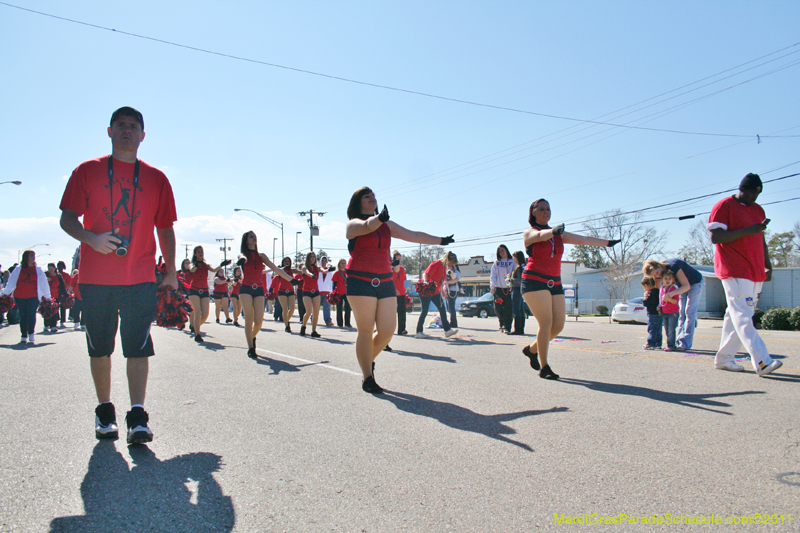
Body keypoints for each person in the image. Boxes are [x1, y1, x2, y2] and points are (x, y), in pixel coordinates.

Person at [59, 106, 178, 444]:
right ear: (109, 132)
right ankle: (104, 410)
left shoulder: (156, 178)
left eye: (133, 126)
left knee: (138, 347)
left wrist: (170, 271)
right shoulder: (87, 171)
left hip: (139, 277)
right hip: (95, 278)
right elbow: (67, 218)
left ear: (142, 135)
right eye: (120, 125)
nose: (127, 130)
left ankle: (137, 416)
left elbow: (165, 228)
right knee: (100, 348)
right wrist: (91, 239)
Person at [346, 187, 454, 393]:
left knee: (387, 331)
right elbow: (367, 225)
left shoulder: (386, 224)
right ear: (358, 202)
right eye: (367, 197)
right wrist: (379, 218)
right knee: (366, 330)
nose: (372, 199)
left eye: (373, 197)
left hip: (385, 279)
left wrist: (440, 240)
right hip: (360, 279)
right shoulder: (353, 224)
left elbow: (412, 235)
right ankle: (368, 377)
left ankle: (367, 361)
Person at [521, 198, 619, 380]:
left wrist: (607, 243)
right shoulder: (530, 233)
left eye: (548, 209)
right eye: (541, 209)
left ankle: (531, 350)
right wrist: (552, 231)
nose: (546, 212)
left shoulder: (559, 235)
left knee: (558, 326)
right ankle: (545, 367)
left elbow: (584, 239)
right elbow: (540, 237)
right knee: (546, 323)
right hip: (534, 281)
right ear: (533, 212)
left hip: (554, 282)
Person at [708, 173, 782, 376]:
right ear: (742, 189)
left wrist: (767, 265)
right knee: (743, 315)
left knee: (736, 316)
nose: (754, 198)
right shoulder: (724, 206)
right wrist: (749, 230)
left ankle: (724, 359)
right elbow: (716, 237)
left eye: (757, 194)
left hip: (754, 269)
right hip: (734, 268)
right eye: (751, 193)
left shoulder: (758, 210)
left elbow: (761, 239)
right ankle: (762, 361)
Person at [237, 231, 297, 358]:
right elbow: (241, 256)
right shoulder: (243, 255)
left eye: (255, 236)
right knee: (249, 318)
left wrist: (290, 279)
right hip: (246, 288)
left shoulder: (262, 256)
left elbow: (276, 269)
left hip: (258, 289)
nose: (254, 238)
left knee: (258, 321)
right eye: (251, 236)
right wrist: (242, 259)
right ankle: (251, 348)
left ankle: (252, 336)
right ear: (246, 240)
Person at [642, 258, 704, 350]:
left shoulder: (673, 265)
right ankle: (678, 341)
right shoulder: (659, 273)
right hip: (681, 286)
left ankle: (685, 344)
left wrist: (670, 294)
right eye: (655, 275)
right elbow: (659, 290)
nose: (658, 275)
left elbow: (687, 286)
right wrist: (649, 293)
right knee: (681, 313)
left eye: (657, 273)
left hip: (694, 283)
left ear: (659, 266)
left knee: (689, 313)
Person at [2, 250, 50, 344]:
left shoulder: (38, 270)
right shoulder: (18, 269)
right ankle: (24, 335)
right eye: (32, 255)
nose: (33, 257)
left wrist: (47, 296)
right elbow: (11, 281)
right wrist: (6, 293)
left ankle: (31, 333)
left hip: (33, 296)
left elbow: (44, 283)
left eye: (34, 255)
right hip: (20, 296)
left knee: (31, 314)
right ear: (26, 257)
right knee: (23, 315)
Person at [188, 246, 228, 343]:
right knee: (198, 312)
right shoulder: (192, 264)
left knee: (205, 314)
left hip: (204, 290)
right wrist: (196, 264)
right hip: (194, 290)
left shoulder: (206, 265)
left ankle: (195, 325)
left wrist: (222, 265)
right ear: (195, 254)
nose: (201, 254)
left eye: (202, 252)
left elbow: (214, 270)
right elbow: (192, 270)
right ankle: (197, 334)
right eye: (198, 252)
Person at [415, 252, 460, 339]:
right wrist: (425, 282)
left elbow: (439, 282)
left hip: (435, 291)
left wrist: (443, 292)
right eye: (451, 263)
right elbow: (426, 273)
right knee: (425, 310)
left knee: (442, 309)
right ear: (447, 259)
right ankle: (418, 332)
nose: (451, 265)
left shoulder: (444, 267)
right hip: (426, 289)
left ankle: (447, 331)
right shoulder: (436, 263)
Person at [490, 245, 516, 333]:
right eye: (500, 251)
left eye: (503, 250)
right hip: (498, 289)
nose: (502, 252)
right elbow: (493, 276)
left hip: (509, 289)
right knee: (498, 308)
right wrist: (492, 287)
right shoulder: (496, 263)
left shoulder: (512, 262)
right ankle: (501, 323)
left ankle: (507, 327)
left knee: (508, 309)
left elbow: (515, 273)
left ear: (506, 251)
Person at [300, 251, 323, 337]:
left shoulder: (317, 267)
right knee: (309, 311)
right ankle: (303, 326)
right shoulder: (304, 267)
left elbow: (323, 270)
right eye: (311, 257)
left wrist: (328, 270)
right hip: (306, 291)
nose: (313, 258)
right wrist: (312, 275)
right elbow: (306, 272)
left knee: (316, 312)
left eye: (314, 257)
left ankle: (314, 331)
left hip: (316, 291)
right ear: (308, 258)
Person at [274, 257, 298, 332]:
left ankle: (286, 320)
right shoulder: (280, 270)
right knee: (285, 308)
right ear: (283, 262)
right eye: (285, 261)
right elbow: (277, 271)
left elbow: (300, 271)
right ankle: (287, 325)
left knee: (292, 309)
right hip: (282, 291)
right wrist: (283, 268)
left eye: (288, 261)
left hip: (290, 291)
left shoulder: (292, 270)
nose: (287, 262)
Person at [659, 269, 680, 351]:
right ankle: (669, 344)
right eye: (666, 279)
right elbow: (661, 299)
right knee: (667, 330)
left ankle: (671, 345)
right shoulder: (662, 288)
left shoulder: (674, 288)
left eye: (669, 278)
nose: (667, 280)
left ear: (673, 279)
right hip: (664, 312)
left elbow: (675, 301)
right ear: (662, 280)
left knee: (671, 329)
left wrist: (669, 299)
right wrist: (659, 306)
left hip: (673, 312)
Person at [641, 276, 662, 350]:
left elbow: (647, 303)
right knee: (658, 329)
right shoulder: (658, 291)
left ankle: (651, 343)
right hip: (659, 313)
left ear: (646, 285)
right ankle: (658, 343)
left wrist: (645, 298)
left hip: (652, 313)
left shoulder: (650, 293)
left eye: (644, 287)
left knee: (652, 328)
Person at [508, 250, 526, 335]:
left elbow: (520, 280)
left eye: (514, 257)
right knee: (520, 309)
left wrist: (510, 280)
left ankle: (517, 329)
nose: (513, 258)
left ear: (517, 258)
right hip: (521, 290)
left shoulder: (519, 268)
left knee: (516, 310)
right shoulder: (522, 266)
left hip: (517, 290)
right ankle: (521, 329)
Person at [44, 263, 63, 333]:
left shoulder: (58, 276)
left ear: (55, 269)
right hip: (47, 296)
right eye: (49, 269)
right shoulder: (45, 275)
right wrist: (46, 280)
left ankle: (53, 326)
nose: (50, 270)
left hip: (56, 296)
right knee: (47, 311)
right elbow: (39, 283)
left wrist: (66, 295)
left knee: (54, 311)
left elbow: (62, 286)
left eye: (52, 269)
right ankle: (46, 325)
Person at [391, 250, 407, 335]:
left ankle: (401, 329)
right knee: (390, 312)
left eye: (399, 260)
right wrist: (393, 289)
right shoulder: (389, 268)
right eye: (396, 260)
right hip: (391, 293)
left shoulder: (402, 269)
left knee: (402, 311)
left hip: (401, 293)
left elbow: (403, 279)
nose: (398, 262)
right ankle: (387, 329)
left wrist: (404, 290)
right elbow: (388, 280)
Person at [442, 257, 461, 329]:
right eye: (448, 266)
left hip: (453, 291)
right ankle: (452, 321)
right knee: (448, 307)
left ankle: (454, 323)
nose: (449, 267)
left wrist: (447, 282)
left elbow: (456, 280)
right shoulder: (445, 272)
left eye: (450, 266)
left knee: (451, 307)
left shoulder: (456, 272)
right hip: (446, 290)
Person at [332, 258, 351, 328]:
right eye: (342, 263)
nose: (343, 264)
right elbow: (334, 284)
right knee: (339, 308)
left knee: (347, 308)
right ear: (339, 264)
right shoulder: (336, 273)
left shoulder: (348, 273)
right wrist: (333, 293)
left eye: (344, 263)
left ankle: (347, 323)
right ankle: (340, 323)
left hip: (347, 293)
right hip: (339, 293)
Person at [317, 256, 335, 327]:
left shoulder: (330, 271)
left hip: (327, 291)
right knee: (316, 307)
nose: (324, 262)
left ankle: (328, 321)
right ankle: (313, 318)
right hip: (318, 291)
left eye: (325, 260)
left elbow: (331, 282)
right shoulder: (318, 269)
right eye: (323, 260)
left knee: (327, 307)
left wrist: (332, 291)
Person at [57, 261, 73, 328]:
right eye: (59, 266)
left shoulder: (66, 275)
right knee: (55, 307)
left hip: (64, 292)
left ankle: (62, 321)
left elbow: (71, 284)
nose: (60, 268)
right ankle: (54, 320)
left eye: (61, 266)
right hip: (56, 292)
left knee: (63, 307)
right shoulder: (55, 274)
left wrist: (68, 292)